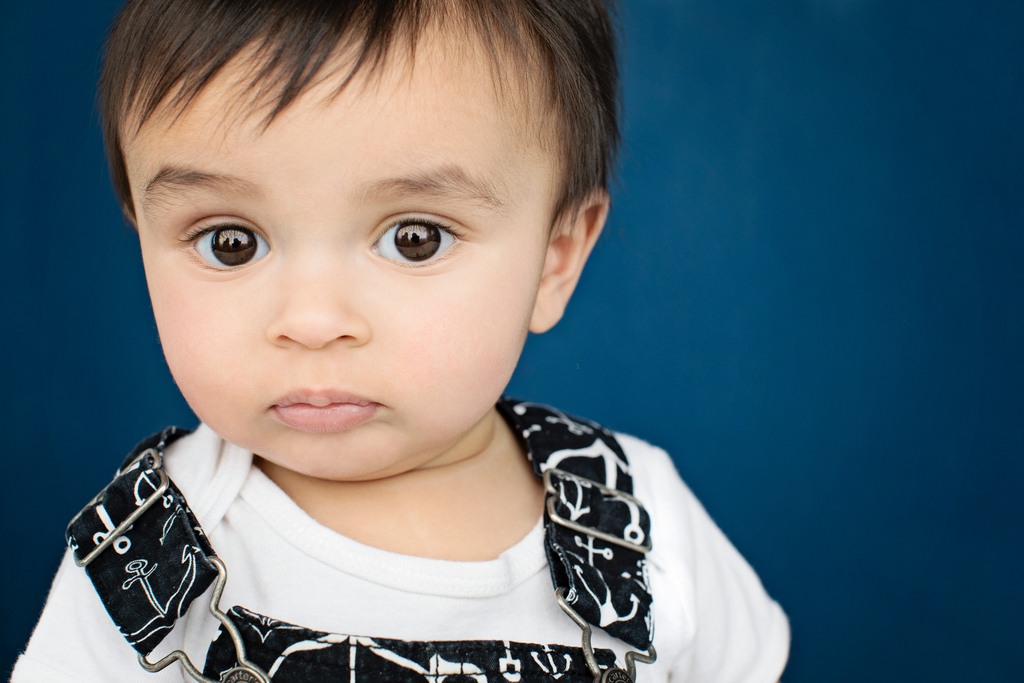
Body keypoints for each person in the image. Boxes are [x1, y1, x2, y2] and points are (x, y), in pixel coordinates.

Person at [12, 1, 789, 681]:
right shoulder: (149, 556)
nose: (314, 322)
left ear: (556, 256)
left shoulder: (637, 516)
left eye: (414, 239)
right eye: (231, 242)